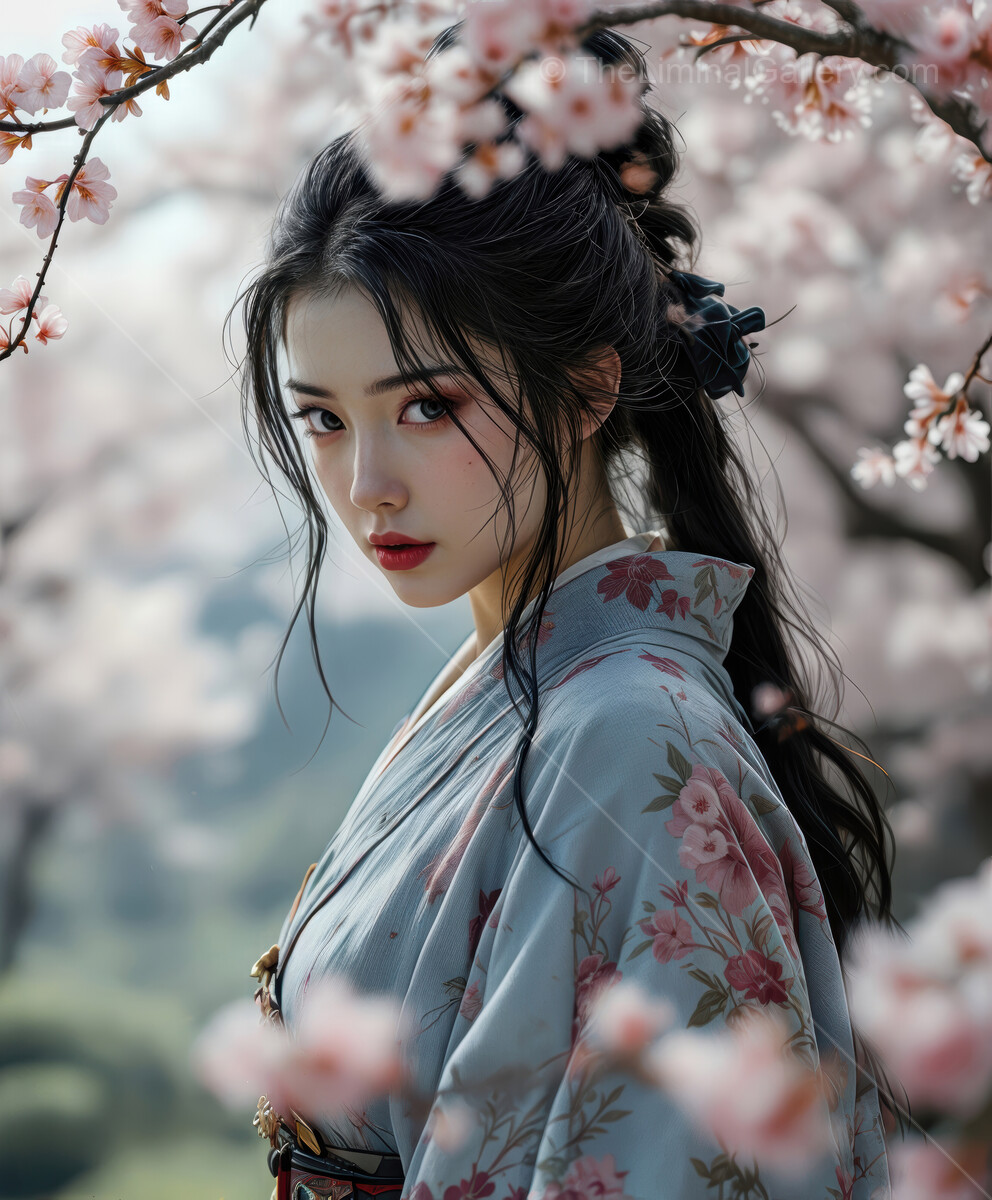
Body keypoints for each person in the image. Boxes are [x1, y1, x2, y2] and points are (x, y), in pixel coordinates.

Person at [233, 22, 897, 1200]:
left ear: (588, 388)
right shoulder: (517, 682)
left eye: (426, 406)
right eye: (325, 418)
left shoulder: (636, 737)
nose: (365, 482)